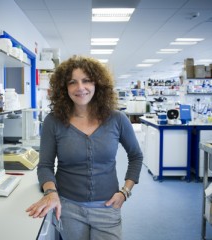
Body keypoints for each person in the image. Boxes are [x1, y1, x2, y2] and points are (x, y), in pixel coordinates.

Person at [26, 55, 143, 240]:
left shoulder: (117, 119)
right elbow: (45, 165)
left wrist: (125, 192)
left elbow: (136, 156)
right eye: (73, 82)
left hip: (108, 208)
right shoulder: (53, 121)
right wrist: (51, 193)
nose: (80, 88)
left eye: (86, 80)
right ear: (64, 88)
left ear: (97, 84)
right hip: (68, 208)